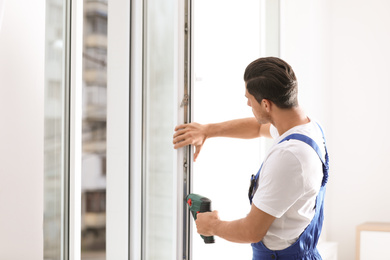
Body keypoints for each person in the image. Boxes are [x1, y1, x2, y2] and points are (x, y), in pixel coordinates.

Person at [173, 57, 329, 259]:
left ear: (266, 104)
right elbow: (258, 127)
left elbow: (251, 231)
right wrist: (207, 131)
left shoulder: (290, 156)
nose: (247, 103)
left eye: (249, 98)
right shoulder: (307, 127)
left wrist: (212, 226)